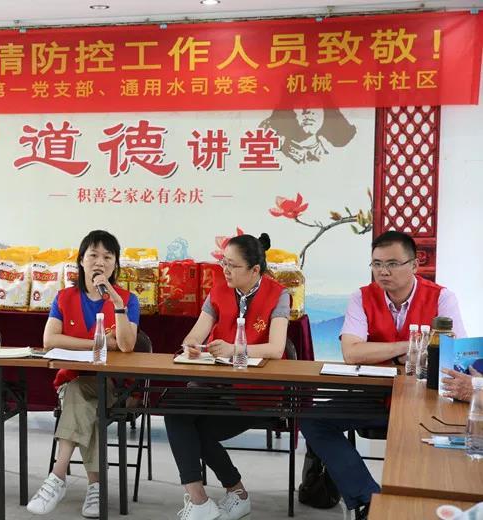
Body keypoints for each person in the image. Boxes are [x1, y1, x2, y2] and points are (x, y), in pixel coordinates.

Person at [300, 230, 466, 518]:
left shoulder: (442, 298)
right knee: (312, 418)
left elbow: (453, 356)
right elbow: (352, 352)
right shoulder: (361, 296)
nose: (383, 271)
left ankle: (426, 504)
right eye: (377, 264)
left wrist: (379, 351)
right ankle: (369, 499)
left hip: (423, 399)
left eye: (392, 264)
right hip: (373, 397)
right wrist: (408, 346)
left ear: (414, 265)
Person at [167, 233, 289, 520]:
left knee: (196, 430)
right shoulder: (219, 290)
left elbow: (276, 348)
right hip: (213, 384)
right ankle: (200, 500)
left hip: (256, 390)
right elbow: (195, 335)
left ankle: (233, 494)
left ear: (255, 269)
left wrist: (235, 349)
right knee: (174, 411)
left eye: (233, 265)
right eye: (224, 263)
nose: (226, 270)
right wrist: (191, 346)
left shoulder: (278, 294)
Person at [27, 230, 139, 518]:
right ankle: (95, 488)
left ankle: (57, 477)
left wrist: (117, 304)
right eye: (93, 255)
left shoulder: (127, 299)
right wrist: (99, 343)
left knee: (86, 399)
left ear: (115, 264)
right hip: (71, 380)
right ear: (81, 260)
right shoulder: (64, 297)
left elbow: (127, 346)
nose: (100, 262)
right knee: (85, 401)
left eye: (107, 257)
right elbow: (50, 340)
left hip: (113, 385)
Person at [259, 107, 357, 164]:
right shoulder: (274, 154)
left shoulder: (335, 157)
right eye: (301, 105)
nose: (309, 111)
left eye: (316, 105)